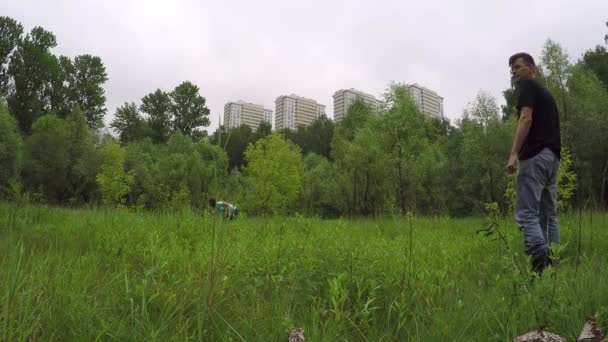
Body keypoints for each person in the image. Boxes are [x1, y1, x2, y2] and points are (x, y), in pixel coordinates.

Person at [506, 52, 561, 274]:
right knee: (548, 215)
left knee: (527, 214)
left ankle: (540, 267)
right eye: (512, 69)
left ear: (531, 68)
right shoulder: (547, 95)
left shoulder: (527, 87)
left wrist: (513, 153)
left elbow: (526, 118)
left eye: (517, 67)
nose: (514, 72)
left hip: (535, 157)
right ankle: (554, 267)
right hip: (552, 157)